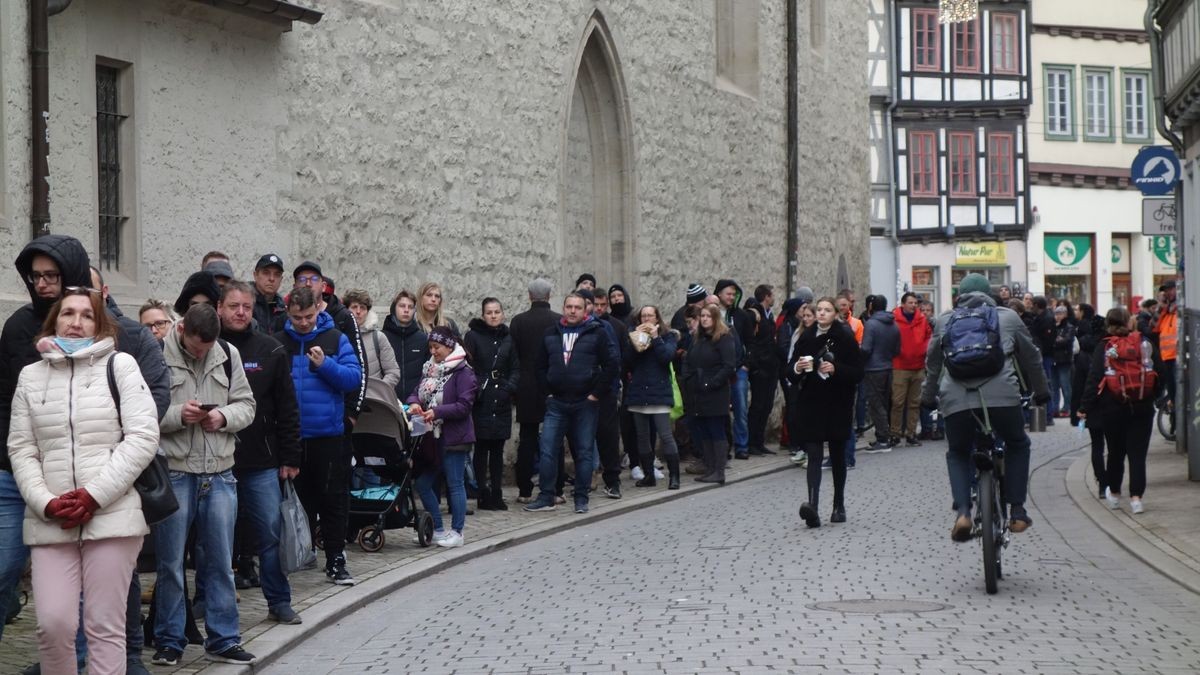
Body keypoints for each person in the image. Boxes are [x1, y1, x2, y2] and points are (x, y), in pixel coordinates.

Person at [8, 288, 159, 675]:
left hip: (113, 515)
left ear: (100, 323)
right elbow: (22, 449)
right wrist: (45, 502)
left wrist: (93, 496)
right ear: (54, 321)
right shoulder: (30, 376)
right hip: (51, 519)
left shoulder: (121, 365)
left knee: (104, 627)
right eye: (68, 313)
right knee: (53, 625)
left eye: (87, 315)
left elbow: (143, 437)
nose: (76, 322)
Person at [0, 235, 93, 652]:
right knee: (4, 568)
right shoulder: (18, 326)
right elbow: (4, 400)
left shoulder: (93, 327)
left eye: (51, 275)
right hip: (14, 471)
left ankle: (78, 659)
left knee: (79, 582)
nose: (41, 284)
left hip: (75, 472)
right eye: (35, 276)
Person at [153, 303, 258, 666]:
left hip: (220, 472)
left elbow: (247, 405)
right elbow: (143, 410)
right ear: (182, 330)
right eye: (197, 349)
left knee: (219, 561)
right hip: (176, 471)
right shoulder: (156, 354)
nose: (202, 355)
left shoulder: (227, 353)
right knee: (169, 563)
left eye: (207, 349)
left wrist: (223, 416)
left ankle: (224, 638)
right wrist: (177, 416)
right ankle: (169, 638)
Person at [921, 273, 1048, 542]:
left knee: (957, 451)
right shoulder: (1009, 318)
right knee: (1017, 442)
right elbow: (1032, 358)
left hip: (956, 400)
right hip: (1002, 396)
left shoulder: (945, 320)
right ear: (989, 294)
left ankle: (964, 513)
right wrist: (1043, 391)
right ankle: (1017, 511)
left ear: (960, 296)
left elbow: (933, 364)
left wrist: (928, 396)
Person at [216, 281, 303, 625]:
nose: (240, 312)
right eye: (233, 306)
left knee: (270, 535)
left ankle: (279, 601)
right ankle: (206, 600)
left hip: (261, 462)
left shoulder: (270, 349)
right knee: (214, 541)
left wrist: (290, 457)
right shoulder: (208, 347)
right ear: (220, 308)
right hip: (214, 462)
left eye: (247, 307)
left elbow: (287, 407)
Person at [274, 287, 363, 586]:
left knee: (333, 500)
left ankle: (336, 559)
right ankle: (298, 554)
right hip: (291, 437)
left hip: (328, 434)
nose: (303, 323)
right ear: (288, 313)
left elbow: (353, 379)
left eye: (309, 317)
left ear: (318, 310)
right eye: (297, 317)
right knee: (296, 501)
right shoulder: (279, 342)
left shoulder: (335, 338)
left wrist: (325, 364)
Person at [524, 293, 617, 514]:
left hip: (585, 403)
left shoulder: (597, 333)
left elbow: (612, 364)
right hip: (556, 402)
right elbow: (539, 366)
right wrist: (547, 392)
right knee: (547, 450)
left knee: (584, 452)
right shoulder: (551, 334)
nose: (572, 311)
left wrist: (595, 394)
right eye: (568, 306)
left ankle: (581, 498)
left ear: (586, 310)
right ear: (563, 308)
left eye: (577, 307)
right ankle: (547, 496)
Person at [787, 297, 864, 528]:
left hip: (837, 403)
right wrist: (797, 368)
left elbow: (858, 373)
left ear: (835, 314)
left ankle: (838, 504)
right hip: (811, 402)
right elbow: (790, 371)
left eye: (826, 310)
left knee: (838, 455)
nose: (821, 314)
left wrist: (836, 368)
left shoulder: (845, 338)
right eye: (818, 310)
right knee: (814, 454)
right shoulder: (806, 337)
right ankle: (813, 506)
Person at [1079, 307, 1159, 515]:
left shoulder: (1106, 347)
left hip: (1112, 406)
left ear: (1108, 324)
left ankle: (1114, 493)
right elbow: (1160, 372)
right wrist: (1152, 397)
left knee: (1115, 452)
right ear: (1129, 322)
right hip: (1142, 406)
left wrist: (1084, 407)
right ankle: (1136, 499)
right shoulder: (1144, 343)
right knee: (1137, 454)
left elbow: (1094, 378)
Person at [408, 327, 478, 547]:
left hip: (455, 437)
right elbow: (417, 391)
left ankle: (457, 532)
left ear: (449, 346)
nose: (433, 351)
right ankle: (438, 528)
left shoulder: (464, 372)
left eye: (436, 347)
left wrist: (437, 412)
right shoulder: (431, 368)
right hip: (432, 437)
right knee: (423, 483)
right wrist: (414, 404)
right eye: (430, 347)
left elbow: (464, 406)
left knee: (455, 484)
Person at [463, 298, 520, 511]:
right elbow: (468, 366)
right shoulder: (473, 336)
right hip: (482, 400)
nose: (494, 316)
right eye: (489, 312)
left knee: (497, 448)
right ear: (483, 314)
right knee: (481, 448)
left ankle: (497, 492)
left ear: (502, 314)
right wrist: (479, 388)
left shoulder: (508, 338)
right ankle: (482, 493)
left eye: (497, 312)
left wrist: (508, 388)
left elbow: (515, 368)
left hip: (502, 399)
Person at [509, 279, 561, 504]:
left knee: (527, 439)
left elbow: (514, 356)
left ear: (529, 296)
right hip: (553, 384)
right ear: (549, 296)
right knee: (555, 438)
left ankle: (525, 489)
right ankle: (556, 488)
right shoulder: (559, 320)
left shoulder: (518, 322)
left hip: (526, 385)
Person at [625, 306, 682, 489]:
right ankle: (648, 475)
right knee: (642, 437)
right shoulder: (635, 336)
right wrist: (636, 340)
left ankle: (674, 477)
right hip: (639, 393)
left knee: (665, 436)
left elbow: (666, 357)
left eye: (651, 315)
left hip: (659, 393)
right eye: (644, 316)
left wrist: (656, 338)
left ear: (657, 318)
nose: (647, 319)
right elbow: (627, 361)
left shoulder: (668, 337)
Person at [680, 304, 737, 485]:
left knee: (715, 430)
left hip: (715, 392)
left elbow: (728, 366)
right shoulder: (698, 338)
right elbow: (689, 360)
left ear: (715, 318)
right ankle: (710, 467)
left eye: (708, 316)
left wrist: (711, 383)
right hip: (698, 391)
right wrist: (689, 379)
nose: (704, 319)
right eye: (702, 316)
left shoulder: (724, 338)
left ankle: (719, 471)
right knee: (703, 430)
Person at [1071, 303, 1108, 497]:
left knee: (1097, 445)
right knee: (1115, 445)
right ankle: (1111, 482)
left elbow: (1078, 385)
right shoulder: (1109, 348)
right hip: (1111, 401)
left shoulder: (1083, 352)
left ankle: (1102, 484)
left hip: (1092, 403)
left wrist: (1079, 408)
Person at [714, 279, 752, 458]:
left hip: (738, 369)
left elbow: (750, 341)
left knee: (740, 408)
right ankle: (723, 447)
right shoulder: (713, 314)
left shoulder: (740, 316)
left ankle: (742, 446)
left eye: (733, 294)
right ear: (719, 293)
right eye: (728, 293)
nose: (731, 297)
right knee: (720, 409)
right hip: (719, 368)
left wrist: (746, 364)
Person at [743, 285, 780, 457]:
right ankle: (751, 443)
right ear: (766, 296)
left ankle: (760, 441)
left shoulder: (768, 315)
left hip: (771, 367)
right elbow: (752, 341)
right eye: (772, 295)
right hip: (760, 368)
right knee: (757, 406)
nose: (774, 299)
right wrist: (756, 365)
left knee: (766, 406)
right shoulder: (754, 314)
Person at [859, 295, 898, 452]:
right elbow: (897, 349)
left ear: (870, 307)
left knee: (876, 404)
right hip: (888, 367)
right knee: (884, 402)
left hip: (873, 368)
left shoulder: (871, 324)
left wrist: (858, 355)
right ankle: (883, 436)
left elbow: (866, 348)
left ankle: (883, 438)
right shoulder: (893, 324)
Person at [891, 292, 930, 447]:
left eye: (915, 303)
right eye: (911, 303)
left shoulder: (922, 319)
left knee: (914, 403)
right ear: (903, 304)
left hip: (918, 366)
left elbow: (928, 336)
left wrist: (924, 349)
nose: (914, 305)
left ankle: (911, 433)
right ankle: (894, 433)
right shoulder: (894, 320)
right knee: (897, 402)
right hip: (900, 366)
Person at [343, 289, 401, 390]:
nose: (358, 311)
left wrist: (378, 391)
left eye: (363, 308)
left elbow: (393, 372)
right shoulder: (339, 336)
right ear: (346, 309)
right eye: (354, 307)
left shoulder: (378, 337)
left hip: (372, 401)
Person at [382, 290, 429, 401]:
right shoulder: (382, 337)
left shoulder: (423, 339)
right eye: (402, 306)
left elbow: (427, 374)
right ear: (394, 309)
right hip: (387, 401)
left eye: (410, 307)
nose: (406, 310)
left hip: (416, 404)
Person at [1152, 279, 1178, 410]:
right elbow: (1153, 326)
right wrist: (1161, 306)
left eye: (1170, 289)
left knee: (1178, 390)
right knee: (1173, 391)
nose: (1167, 293)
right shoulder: (1165, 312)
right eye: (1165, 291)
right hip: (1167, 356)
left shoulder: (1179, 310)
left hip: (1178, 355)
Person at [1050, 306, 1076, 419]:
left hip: (1064, 359)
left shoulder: (1069, 326)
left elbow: (1066, 341)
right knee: (1054, 385)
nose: (1058, 316)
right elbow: (1051, 340)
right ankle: (1055, 408)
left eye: (1060, 313)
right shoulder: (1052, 326)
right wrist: (1057, 340)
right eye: (1056, 314)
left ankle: (1067, 407)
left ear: (1065, 314)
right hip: (1054, 358)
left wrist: (1056, 341)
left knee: (1065, 384)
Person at [251, 254, 287, 331]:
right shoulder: (245, 302)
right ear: (255, 275)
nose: (271, 279)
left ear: (281, 279)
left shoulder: (283, 307)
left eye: (277, 274)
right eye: (266, 273)